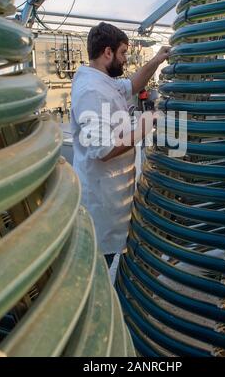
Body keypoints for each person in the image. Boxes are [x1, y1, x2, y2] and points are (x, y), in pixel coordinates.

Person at [71, 22, 169, 268]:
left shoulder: (103, 81)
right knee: (95, 271)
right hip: (101, 201)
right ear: (107, 52)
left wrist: (157, 60)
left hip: (114, 194)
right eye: (123, 52)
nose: (126, 59)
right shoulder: (91, 91)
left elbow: (132, 85)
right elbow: (103, 149)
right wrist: (147, 125)